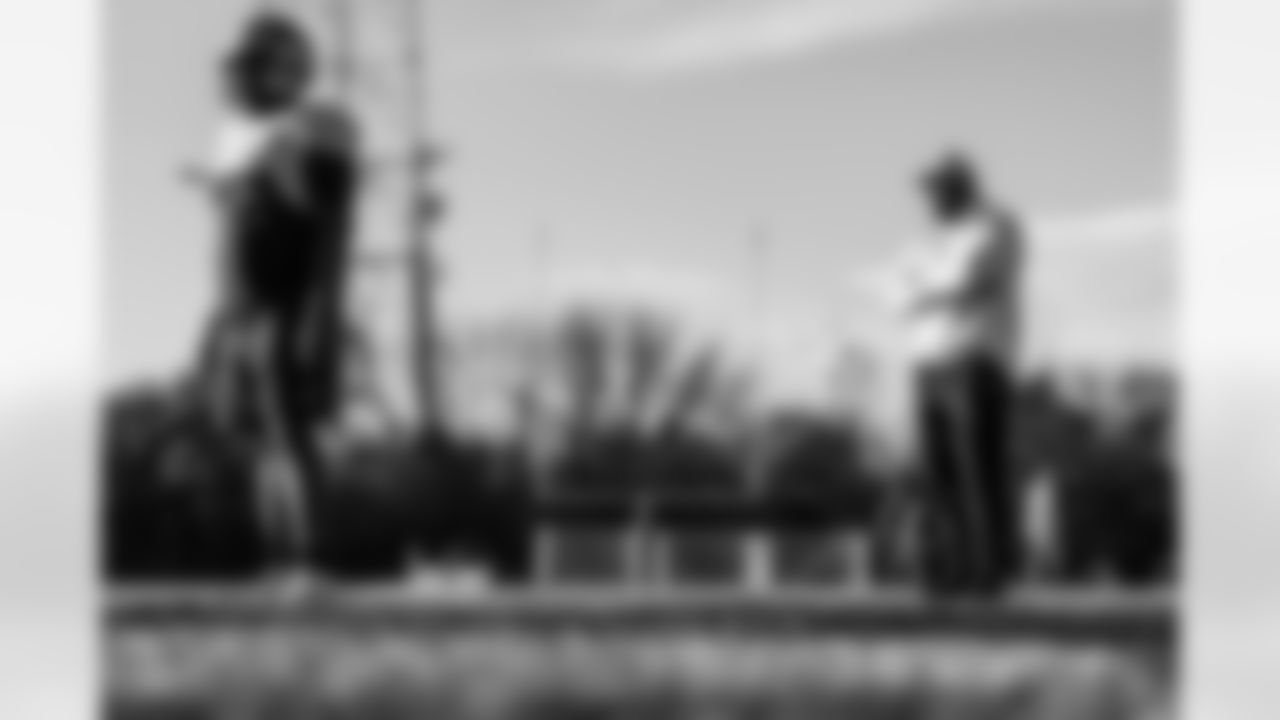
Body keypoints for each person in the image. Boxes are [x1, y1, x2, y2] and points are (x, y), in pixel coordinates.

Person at [192, 11, 361, 582]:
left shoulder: (317, 127)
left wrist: (321, 312)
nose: (244, 76)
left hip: (290, 302)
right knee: (261, 438)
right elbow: (233, 235)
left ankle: (310, 558)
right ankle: (280, 559)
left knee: (291, 431)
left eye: (259, 64)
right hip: (244, 306)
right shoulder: (236, 136)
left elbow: (330, 229)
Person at [889, 152, 1024, 598]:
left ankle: (989, 573)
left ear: (963, 187)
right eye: (929, 190)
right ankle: (945, 570)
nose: (931, 198)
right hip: (926, 360)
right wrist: (926, 288)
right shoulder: (926, 238)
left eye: (940, 188)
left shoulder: (995, 227)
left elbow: (966, 282)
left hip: (975, 358)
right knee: (937, 474)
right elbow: (900, 288)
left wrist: (923, 288)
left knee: (978, 470)